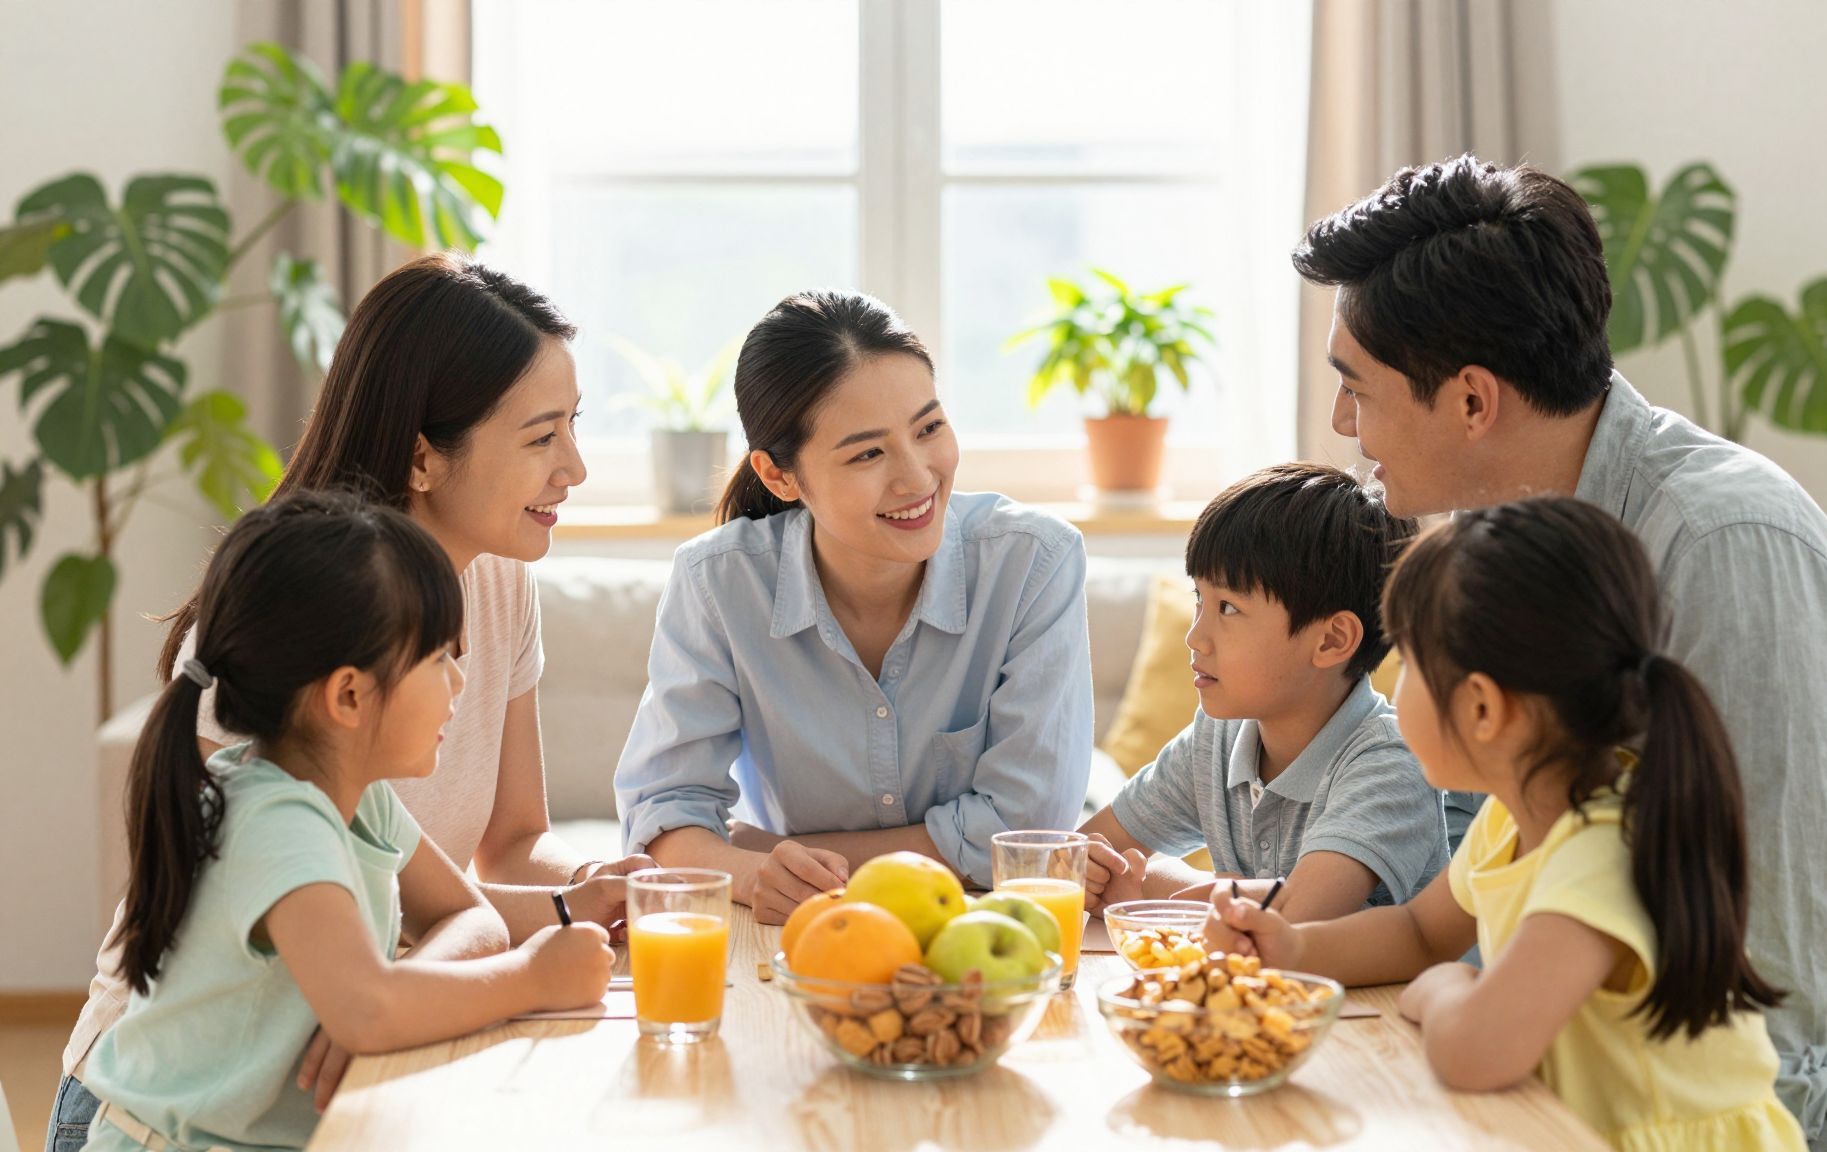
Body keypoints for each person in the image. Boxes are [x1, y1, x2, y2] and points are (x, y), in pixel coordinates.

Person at [1287, 154, 1827, 1149]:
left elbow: (1769, 996)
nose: (1340, 424)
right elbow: (1465, 902)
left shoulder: (1724, 547)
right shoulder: (1511, 559)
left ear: (1470, 400)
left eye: (1354, 388)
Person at [50, 255, 650, 1152]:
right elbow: (316, 942)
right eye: (541, 436)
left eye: (574, 428)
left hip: (331, 1081)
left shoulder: (498, 586)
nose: (576, 467)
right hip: (173, 1113)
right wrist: (417, 990)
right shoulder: (291, 637)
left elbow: (508, 848)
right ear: (422, 454)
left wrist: (577, 903)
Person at [1209, 497, 1805, 1150]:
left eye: (1406, 663)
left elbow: (1475, 1051)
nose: (1393, 685)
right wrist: (1293, 949)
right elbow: (1417, 931)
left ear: (1484, 709)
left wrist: (1450, 987)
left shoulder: (1601, 856)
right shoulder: (1512, 818)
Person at [77, 491, 612, 1152]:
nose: (461, 684)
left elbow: (474, 917)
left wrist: (400, 993)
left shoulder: (361, 799)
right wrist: (534, 979)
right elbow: (366, 1013)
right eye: (441, 658)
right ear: (350, 694)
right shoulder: (275, 822)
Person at [615, 290, 1092, 919]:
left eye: (929, 428)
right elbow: (663, 816)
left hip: (989, 926)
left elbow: (1025, 832)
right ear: (780, 476)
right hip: (810, 934)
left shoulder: (1034, 561)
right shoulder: (719, 582)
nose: (918, 477)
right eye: (868, 452)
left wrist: (772, 855)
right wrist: (752, 871)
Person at [1078, 462, 1446, 923]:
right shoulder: (1217, 738)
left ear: (1331, 640)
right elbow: (1090, 852)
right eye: (1200, 599)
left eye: (1228, 607)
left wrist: (1149, 881)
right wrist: (1101, 870)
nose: (1195, 637)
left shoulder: (1388, 764)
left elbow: (1293, 916)